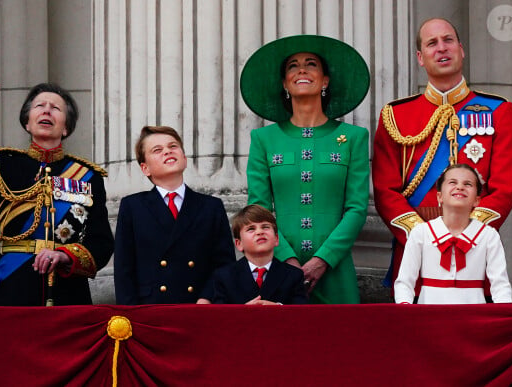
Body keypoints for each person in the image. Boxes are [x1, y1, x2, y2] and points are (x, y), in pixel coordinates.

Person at [372, 18, 512, 294]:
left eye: (448, 40)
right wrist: (424, 237)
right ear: (420, 57)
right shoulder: (395, 116)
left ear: (461, 50)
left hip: (476, 254)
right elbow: (385, 190)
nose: (441, 48)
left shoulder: (499, 111)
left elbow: (504, 189)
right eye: (432, 43)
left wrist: (467, 234)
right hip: (415, 254)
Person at [0, 68, 114, 306]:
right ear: (27, 123)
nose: (47, 109)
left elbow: (101, 243)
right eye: (40, 106)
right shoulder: (4, 164)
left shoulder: (88, 177)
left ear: (66, 127)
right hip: (14, 285)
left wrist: (64, 255)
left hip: (67, 292)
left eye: (55, 108)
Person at [240, 35, 371, 304]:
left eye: (311, 64)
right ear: (284, 84)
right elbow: (258, 208)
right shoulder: (264, 139)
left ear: (325, 81)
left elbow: (357, 207)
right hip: (279, 267)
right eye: (292, 66)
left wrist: (324, 259)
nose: (301, 69)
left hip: (336, 269)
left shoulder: (354, 137)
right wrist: (286, 259)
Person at [114, 125, 235, 304]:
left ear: (184, 158)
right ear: (145, 168)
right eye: (157, 150)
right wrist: (130, 316)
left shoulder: (211, 206)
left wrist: (208, 297)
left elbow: (224, 263)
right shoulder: (132, 206)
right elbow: (124, 269)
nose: (167, 152)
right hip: (151, 309)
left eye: (173, 146)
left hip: (199, 307)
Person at [394, 164, 512, 304]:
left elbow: (500, 285)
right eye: (452, 182)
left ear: (477, 200)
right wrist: (405, 308)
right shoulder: (421, 233)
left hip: (473, 318)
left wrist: (505, 314)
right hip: (429, 316)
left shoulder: (488, 236)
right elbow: (404, 282)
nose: (460, 187)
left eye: (468, 184)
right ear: (439, 196)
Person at [209, 204, 308, 305]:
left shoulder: (294, 275)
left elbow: (301, 314)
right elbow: (220, 316)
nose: (260, 232)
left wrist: (279, 309)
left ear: (276, 239)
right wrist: (242, 312)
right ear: (239, 244)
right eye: (251, 229)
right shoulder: (224, 276)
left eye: (265, 227)